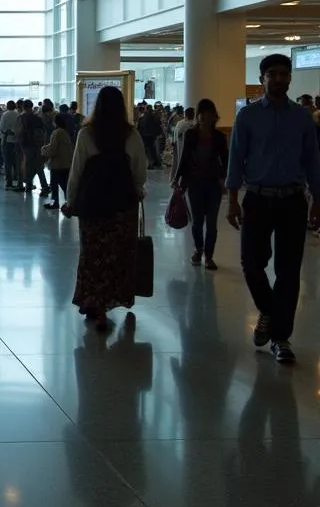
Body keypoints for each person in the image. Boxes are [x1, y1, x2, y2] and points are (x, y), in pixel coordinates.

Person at [226, 53, 320, 364]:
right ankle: (269, 310)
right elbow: (236, 159)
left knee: (289, 271)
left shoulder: (302, 117)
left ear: (290, 78)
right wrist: (232, 201)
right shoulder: (248, 117)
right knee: (252, 264)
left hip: (292, 200)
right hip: (257, 198)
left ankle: (281, 338)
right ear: (262, 78)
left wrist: (317, 199)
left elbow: (313, 162)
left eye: (284, 74)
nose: (279, 79)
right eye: (273, 74)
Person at [64, 86, 148, 330]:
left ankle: (95, 305)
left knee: (93, 256)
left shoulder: (87, 134)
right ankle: (115, 297)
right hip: (123, 206)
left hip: (93, 206)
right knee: (118, 255)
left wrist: (71, 201)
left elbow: (76, 171)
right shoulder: (130, 134)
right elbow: (139, 171)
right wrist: (136, 189)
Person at [172, 98, 228, 270]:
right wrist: (177, 177)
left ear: (213, 116)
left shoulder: (219, 137)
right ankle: (198, 249)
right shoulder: (191, 134)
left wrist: (225, 180)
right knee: (197, 221)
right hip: (195, 182)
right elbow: (184, 158)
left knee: (211, 222)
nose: (204, 117)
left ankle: (209, 256)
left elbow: (225, 160)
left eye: (207, 113)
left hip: (213, 184)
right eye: (201, 113)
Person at [41, 111, 74, 211]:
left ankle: (58, 203)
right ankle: (68, 203)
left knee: (56, 185)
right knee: (63, 184)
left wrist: (44, 150)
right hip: (65, 163)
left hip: (57, 163)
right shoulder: (65, 132)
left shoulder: (57, 132)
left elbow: (53, 148)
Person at [17, 100, 49, 195]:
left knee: (28, 165)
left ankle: (29, 185)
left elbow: (18, 132)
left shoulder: (21, 118)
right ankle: (44, 186)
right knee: (38, 165)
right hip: (38, 144)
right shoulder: (38, 118)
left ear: (23, 107)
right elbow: (44, 131)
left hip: (27, 144)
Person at [0, 100, 21, 188]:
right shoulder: (18, 114)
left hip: (7, 140)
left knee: (7, 162)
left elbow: (1, 127)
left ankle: (9, 182)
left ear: (7, 106)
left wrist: (7, 132)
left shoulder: (5, 114)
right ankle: (18, 180)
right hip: (17, 141)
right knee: (17, 162)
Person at [137, 102, 163, 169]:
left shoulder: (143, 117)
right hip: (152, 136)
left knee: (148, 150)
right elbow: (158, 125)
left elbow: (140, 127)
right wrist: (159, 133)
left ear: (146, 109)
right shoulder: (154, 116)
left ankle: (150, 164)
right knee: (152, 149)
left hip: (144, 136)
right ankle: (155, 163)